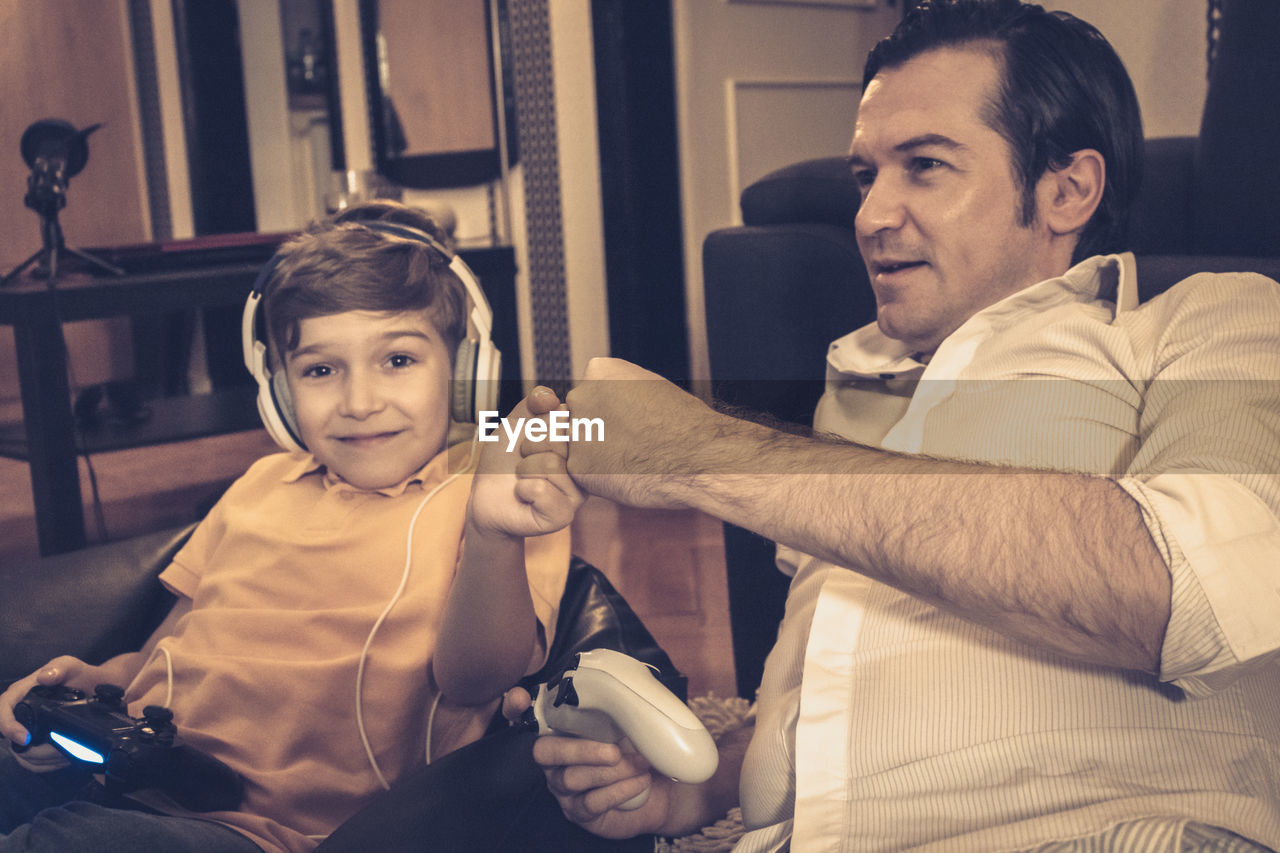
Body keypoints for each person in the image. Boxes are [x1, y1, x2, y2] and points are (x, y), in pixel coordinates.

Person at [511, 1, 1280, 850]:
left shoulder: (1216, 323)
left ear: (1067, 189)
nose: (872, 216)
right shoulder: (856, 393)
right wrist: (711, 775)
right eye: (866, 176)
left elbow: (1196, 595)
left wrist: (696, 447)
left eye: (924, 166)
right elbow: (846, 677)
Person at [0, 201, 584, 853]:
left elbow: (476, 678)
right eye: (320, 369)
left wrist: (493, 536)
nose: (360, 402)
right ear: (279, 390)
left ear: (466, 369)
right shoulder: (257, 485)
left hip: (261, 834)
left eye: (398, 360)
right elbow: (167, 651)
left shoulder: (492, 497)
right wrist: (91, 684)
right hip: (128, 779)